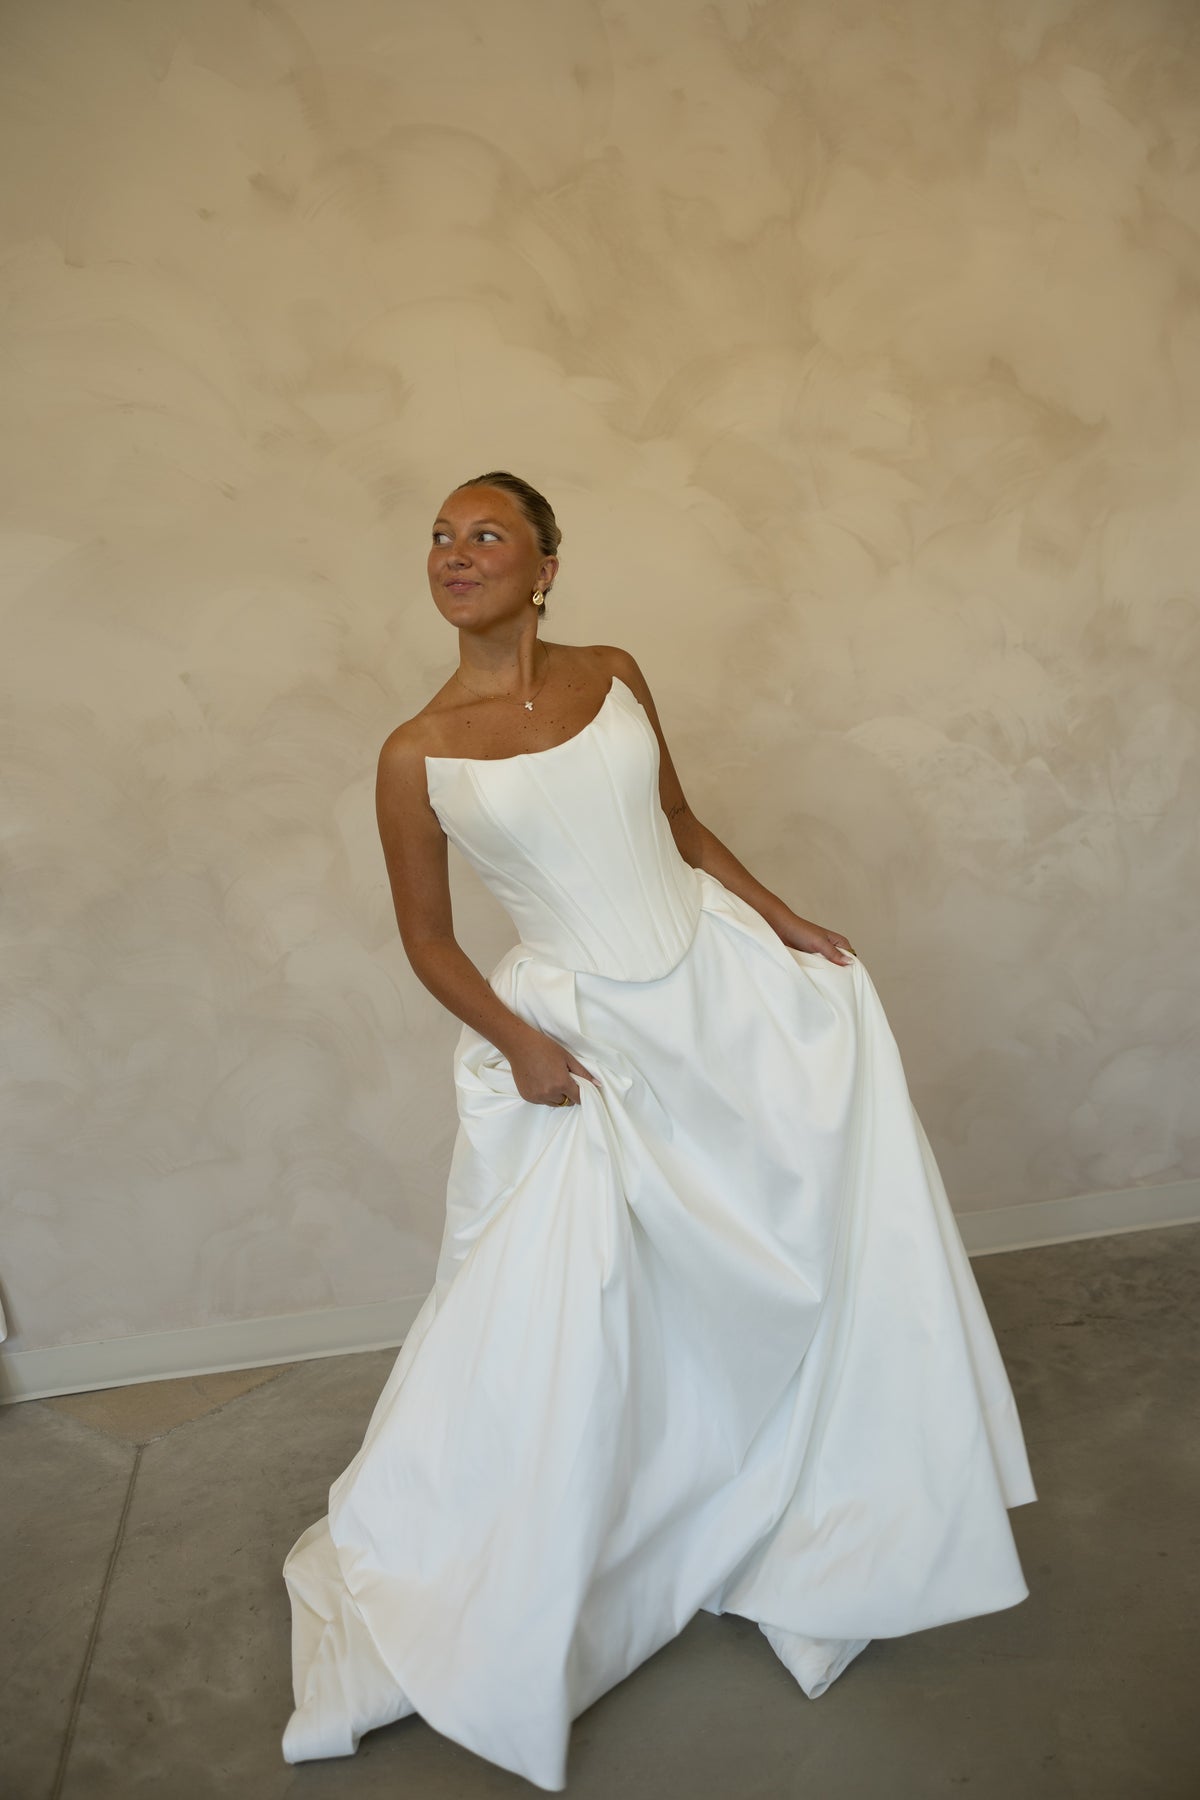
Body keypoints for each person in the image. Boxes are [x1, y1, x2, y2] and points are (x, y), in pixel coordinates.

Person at [281, 470, 1037, 1792]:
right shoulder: (415, 751)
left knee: (787, 1245)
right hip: (584, 1037)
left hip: (717, 998)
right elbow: (428, 939)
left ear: (545, 566)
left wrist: (785, 919)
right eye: (441, 538)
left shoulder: (615, 672)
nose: (456, 554)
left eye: (487, 535)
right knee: (587, 1295)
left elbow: (677, 826)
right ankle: (579, 1540)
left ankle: (790, 1498)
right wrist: (522, 1043)